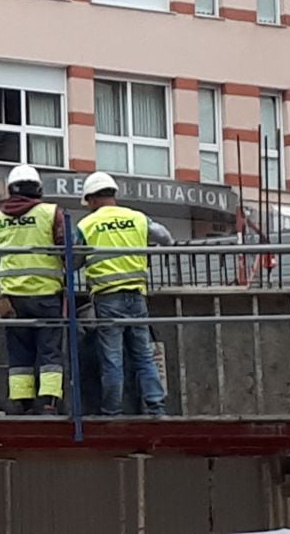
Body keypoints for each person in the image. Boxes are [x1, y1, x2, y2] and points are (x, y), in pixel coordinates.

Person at [76, 171, 172, 417]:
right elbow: (165, 238)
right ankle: (156, 407)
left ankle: (112, 412)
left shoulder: (87, 225)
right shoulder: (137, 217)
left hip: (108, 298)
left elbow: (73, 261)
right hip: (137, 295)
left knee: (112, 359)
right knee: (143, 355)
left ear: (93, 199)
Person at [0, 165, 67, 415]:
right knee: (49, 351)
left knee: (19, 352)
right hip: (45, 294)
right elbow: (66, 248)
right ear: (38, 188)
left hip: (12, 298)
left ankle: (22, 404)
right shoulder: (50, 213)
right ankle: (48, 403)